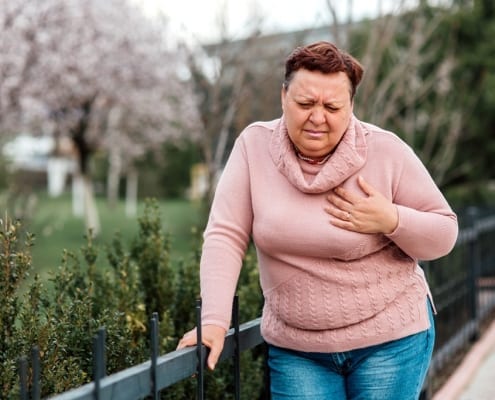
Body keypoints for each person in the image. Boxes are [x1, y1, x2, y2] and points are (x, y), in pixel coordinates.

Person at [177, 41, 458, 399]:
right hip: (298, 350)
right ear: (283, 97)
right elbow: (225, 235)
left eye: (333, 106)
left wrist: (391, 219)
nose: (317, 117)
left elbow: (445, 231)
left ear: (351, 106)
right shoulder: (253, 147)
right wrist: (214, 322)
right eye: (305, 103)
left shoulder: (386, 151)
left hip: (390, 342)